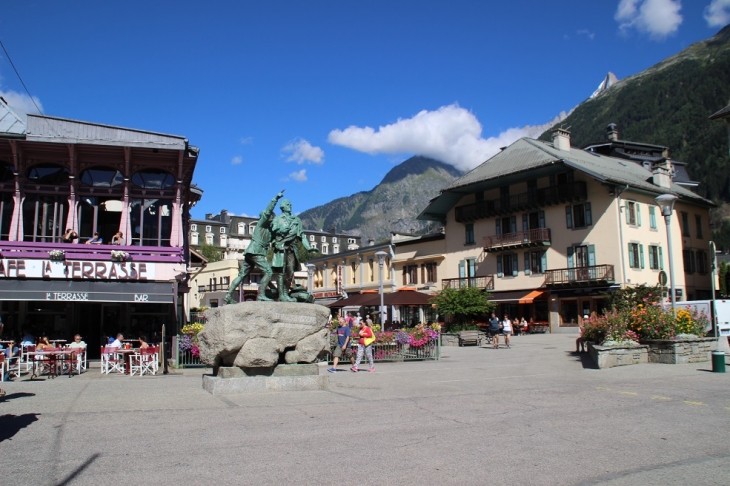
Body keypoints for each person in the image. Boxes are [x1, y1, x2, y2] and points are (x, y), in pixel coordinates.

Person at [225, 191, 284, 304]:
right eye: (271, 216)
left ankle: (228, 295)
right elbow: (268, 210)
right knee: (268, 272)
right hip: (256, 252)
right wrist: (276, 198)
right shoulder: (261, 224)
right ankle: (261, 295)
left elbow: (276, 240)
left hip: (251, 253)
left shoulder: (270, 231)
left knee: (242, 275)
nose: (272, 218)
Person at [271, 198, 313, 302]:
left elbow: (301, 235)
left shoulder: (296, 220)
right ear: (282, 207)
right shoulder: (277, 219)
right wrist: (281, 230)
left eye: (290, 204)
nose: (290, 205)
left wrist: (309, 248)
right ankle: (281, 295)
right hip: (281, 247)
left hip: (292, 248)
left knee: (290, 272)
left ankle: (285, 293)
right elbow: (273, 230)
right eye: (287, 204)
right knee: (281, 271)